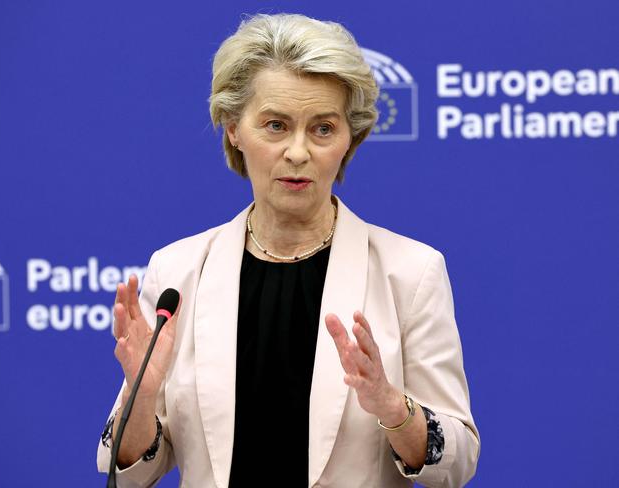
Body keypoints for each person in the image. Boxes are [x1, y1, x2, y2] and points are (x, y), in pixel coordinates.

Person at [97, 13, 480, 488]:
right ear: (234, 128)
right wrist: (141, 392)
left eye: (322, 129)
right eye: (276, 125)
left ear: (349, 138)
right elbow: (130, 470)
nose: (298, 152)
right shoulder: (177, 272)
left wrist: (390, 405)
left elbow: (458, 463)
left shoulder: (410, 272)